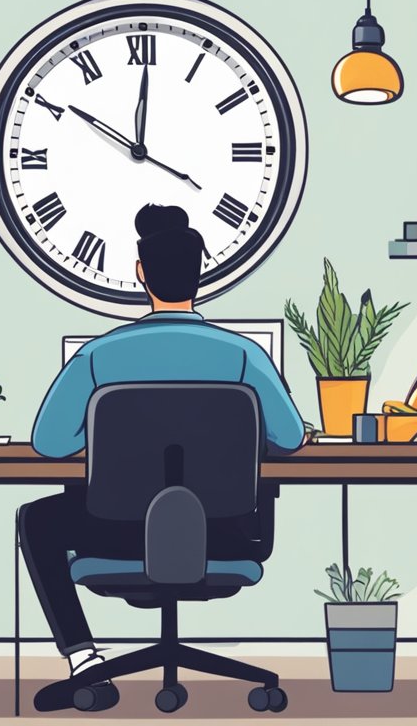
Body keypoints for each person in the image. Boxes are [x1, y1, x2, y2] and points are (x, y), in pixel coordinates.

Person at [19, 204, 305, 709]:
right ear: (201, 273)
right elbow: (291, 437)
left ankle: (84, 660)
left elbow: (49, 443)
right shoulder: (244, 355)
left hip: (113, 530)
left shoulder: (97, 355)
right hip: (225, 531)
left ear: (140, 273)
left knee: (37, 519)